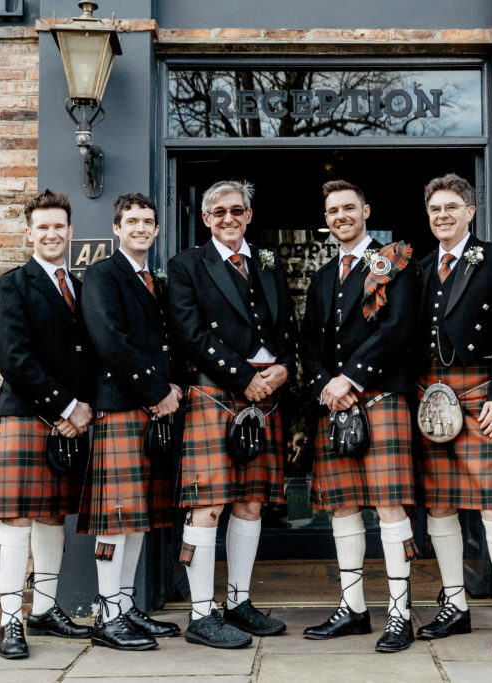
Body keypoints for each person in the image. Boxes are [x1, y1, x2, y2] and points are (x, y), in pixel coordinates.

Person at [167, 180, 297, 649]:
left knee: (251, 500)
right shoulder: (186, 265)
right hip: (218, 391)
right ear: (205, 219)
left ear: (248, 215)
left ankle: (238, 602)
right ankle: (202, 614)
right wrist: (244, 378)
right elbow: (190, 334)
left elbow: (288, 325)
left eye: (237, 211)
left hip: (267, 391)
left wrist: (286, 366)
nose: (228, 218)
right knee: (208, 501)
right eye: (218, 212)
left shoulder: (268, 260)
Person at [298, 179, 420, 653]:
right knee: (343, 506)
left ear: (366, 210)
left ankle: (399, 614)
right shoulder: (323, 274)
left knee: (389, 508)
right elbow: (307, 343)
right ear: (326, 219)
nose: (341, 216)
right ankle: (352, 609)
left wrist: (349, 378)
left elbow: (398, 329)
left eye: (349, 207)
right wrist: (326, 384)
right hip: (336, 402)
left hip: (381, 397)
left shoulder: (393, 262)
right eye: (333, 210)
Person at [414, 174, 492, 651]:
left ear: (470, 211)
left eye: (451, 207)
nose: (443, 215)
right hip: (432, 396)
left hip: (480, 390)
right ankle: (455, 605)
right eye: (435, 208)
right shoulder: (418, 268)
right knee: (439, 505)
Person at [0, 189, 94, 659]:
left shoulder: (84, 288)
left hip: (71, 419)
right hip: (26, 415)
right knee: (16, 518)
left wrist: (82, 407)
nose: (52, 234)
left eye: (59, 227)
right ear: (29, 232)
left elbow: (93, 357)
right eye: (42, 227)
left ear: (70, 232)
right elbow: (13, 358)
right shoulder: (12, 285)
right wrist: (67, 407)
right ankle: (10, 622)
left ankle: (45, 610)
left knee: (54, 515)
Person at [77, 192, 183, 651]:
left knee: (137, 516)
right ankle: (107, 614)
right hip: (122, 405)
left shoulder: (155, 281)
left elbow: (170, 342)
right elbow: (109, 342)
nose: (141, 228)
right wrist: (159, 392)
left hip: (152, 409)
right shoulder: (102, 274)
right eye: (132, 221)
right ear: (116, 228)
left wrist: (173, 388)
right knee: (115, 517)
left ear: (157, 231)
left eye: (148, 222)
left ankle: (124, 604)